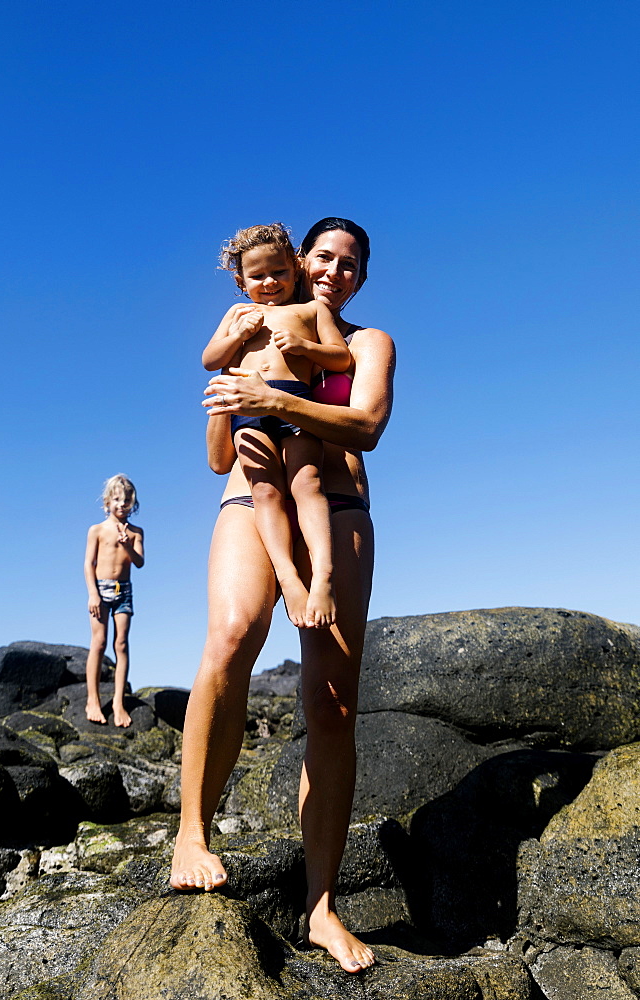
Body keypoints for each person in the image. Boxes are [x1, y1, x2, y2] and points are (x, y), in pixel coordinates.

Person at [171, 218, 395, 974]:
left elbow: (364, 425)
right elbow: (214, 457)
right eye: (324, 257)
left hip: (339, 510)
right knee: (232, 636)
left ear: (361, 276)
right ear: (301, 261)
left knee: (331, 704)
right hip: (249, 497)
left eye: (351, 264)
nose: (336, 271)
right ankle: (192, 833)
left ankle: (322, 906)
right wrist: (231, 404)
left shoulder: (366, 344)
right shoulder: (254, 326)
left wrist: (279, 396)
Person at [203, 222, 351, 628]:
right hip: (247, 408)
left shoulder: (312, 310)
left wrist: (306, 347)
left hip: (294, 400)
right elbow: (210, 359)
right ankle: (289, 577)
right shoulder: (238, 313)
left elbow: (340, 358)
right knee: (265, 491)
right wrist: (237, 335)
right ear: (240, 280)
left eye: (279, 272)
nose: (269, 282)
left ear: (296, 267)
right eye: (257, 276)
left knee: (308, 485)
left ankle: (322, 577)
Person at [84, 474, 145, 728]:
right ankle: (93, 700)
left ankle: (118, 702)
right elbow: (89, 564)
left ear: (134, 503)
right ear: (107, 502)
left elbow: (139, 562)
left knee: (121, 644)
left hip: (124, 591)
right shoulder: (97, 530)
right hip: (101, 589)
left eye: (127, 500)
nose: (122, 504)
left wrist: (128, 545)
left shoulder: (136, 532)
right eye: (117, 499)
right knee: (99, 643)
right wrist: (93, 594)